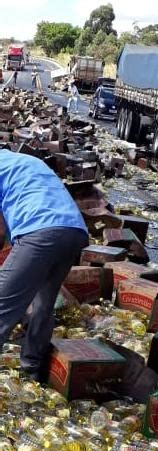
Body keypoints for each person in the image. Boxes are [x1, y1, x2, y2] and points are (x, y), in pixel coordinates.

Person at [0, 149, 88, 380]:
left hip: (40, 230)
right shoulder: (23, 161)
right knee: (42, 305)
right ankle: (31, 370)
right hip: (75, 230)